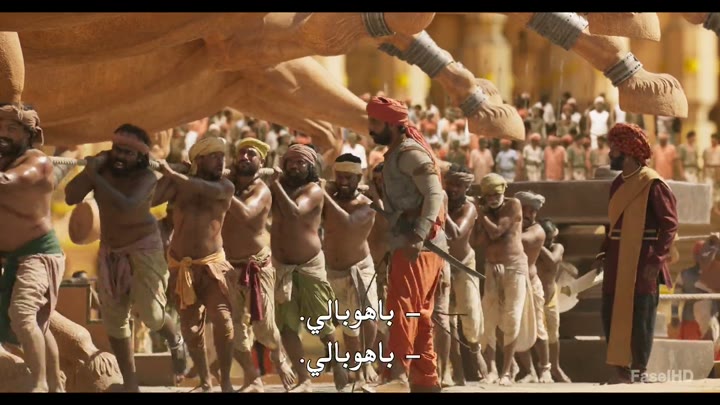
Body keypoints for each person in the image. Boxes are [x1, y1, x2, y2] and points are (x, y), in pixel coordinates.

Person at [64, 124, 186, 392]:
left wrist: (95, 177)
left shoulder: (147, 177)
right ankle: (130, 383)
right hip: (111, 251)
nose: (120, 156)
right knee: (115, 320)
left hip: (145, 249)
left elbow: (127, 204)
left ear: (141, 157)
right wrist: (88, 172)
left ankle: (175, 338)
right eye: (117, 149)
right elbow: (71, 196)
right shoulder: (102, 171)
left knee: (152, 315)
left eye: (128, 153)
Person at [362, 96, 446, 393]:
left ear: (392, 124)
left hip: (418, 245)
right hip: (415, 242)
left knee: (402, 308)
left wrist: (419, 235)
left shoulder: (409, 153)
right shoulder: (396, 154)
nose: (371, 128)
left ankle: (397, 376)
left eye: (375, 122)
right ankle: (425, 380)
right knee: (419, 314)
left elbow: (435, 194)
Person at [592, 123, 678, 384]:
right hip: (616, 260)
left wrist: (656, 260)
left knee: (641, 316)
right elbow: (612, 225)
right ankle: (621, 371)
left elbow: (670, 225)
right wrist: (603, 254)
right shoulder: (617, 183)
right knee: (610, 311)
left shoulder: (652, 183)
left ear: (628, 153)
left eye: (614, 150)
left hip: (644, 260)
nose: (610, 154)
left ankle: (640, 370)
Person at [152, 136, 236, 392]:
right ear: (198, 161)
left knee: (223, 321)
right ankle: (205, 381)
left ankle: (225, 381)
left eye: (222, 157)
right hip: (182, 266)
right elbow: (152, 199)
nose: (221, 162)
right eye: (214, 157)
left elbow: (202, 189)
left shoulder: (225, 186)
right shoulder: (180, 185)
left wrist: (174, 174)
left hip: (213, 264)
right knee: (190, 329)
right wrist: (168, 175)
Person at [270, 143, 348, 393]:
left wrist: (274, 184)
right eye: (290, 161)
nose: (294, 166)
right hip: (282, 267)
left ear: (311, 167)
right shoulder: (278, 187)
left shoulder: (313, 190)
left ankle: (337, 362)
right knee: (287, 327)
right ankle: (304, 379)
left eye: (300, 162)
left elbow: (294, 212)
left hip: (309, 266)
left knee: (322, 324)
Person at [221, 138, 295, 392]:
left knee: (263, 329)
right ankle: (252, 377)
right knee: (232, 331)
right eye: (241, 153)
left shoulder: (262, 190)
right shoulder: (227, 186)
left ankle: (278, 353)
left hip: (257, 266)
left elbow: (245, 214)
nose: (244, 157)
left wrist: (222, 187)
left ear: (261, 161)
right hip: (228, 267)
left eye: (250, 154)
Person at [0, 104, 64, 392]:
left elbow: (9, 182)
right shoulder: (6, 160)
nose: (3, 133)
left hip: (39, 254)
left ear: (28, 134)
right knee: (38, 323)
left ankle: (39, 386)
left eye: (11, 128)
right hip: (14, 256)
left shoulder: (37, 162)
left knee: (23, 314)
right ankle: (56, 385)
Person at [322, 153, 378, 386]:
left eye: (349, 178)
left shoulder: (368, 204)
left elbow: (348, 222)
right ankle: (356, 365)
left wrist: (323, 192)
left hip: (360, 267)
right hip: (334, 270)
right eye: (340, 177)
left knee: (369, 315)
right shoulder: (326, 200)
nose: (344, 182)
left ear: (358, 178)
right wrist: (323, 191)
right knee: (349, 323)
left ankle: (367, 361)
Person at [475, 173, 534, 386]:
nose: (493, 199)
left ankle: (507, 371)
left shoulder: (513, 205)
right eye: (488, 195)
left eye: (496, 194)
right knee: (489, 317)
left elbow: (497, 232)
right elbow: (477, 239)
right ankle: (492, 369)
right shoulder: (487, 212)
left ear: (503, 192)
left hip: (514, 266)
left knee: (512, 317)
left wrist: (480, 212)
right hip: (492, 267)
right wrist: (480, 216)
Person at [443, 164, 488, 383]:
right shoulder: (439, 202)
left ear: (466, 188)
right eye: (450, 184)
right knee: (446, 317)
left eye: (459, 185)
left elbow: (456, 233)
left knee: (470, 312)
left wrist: (439, 208)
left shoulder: (469, 208)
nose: (453, 189)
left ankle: (475, 352)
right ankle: (456, 369)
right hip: (442, 263)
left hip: (463, 264)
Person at [514, 191, 552, 383]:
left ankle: (545, 369)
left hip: (531, 284)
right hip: (513, 283)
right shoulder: (512, 225)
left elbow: (518, 241)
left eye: (532, 210)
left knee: (538, 328)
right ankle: (528, 371)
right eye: (524, 209)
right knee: (517, 327)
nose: (528, 213)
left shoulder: (537, 231)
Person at [670, 238, 720, 360]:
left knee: (712, 355)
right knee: (691, 356)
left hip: (712, 320)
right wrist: (674, 315)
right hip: (690, 322)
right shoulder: (684, 274)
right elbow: (676, 297)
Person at [536, 219, 572, 382]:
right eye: (546, 239)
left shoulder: (557, 248)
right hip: (536, 296)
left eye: (551, 238)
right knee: (539, 332)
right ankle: (541, 368)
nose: (550, 242)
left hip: (550, 296)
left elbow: (551, 260)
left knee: (553, 335)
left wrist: (538, 243)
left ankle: (556, 367)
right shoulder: (533, 248)